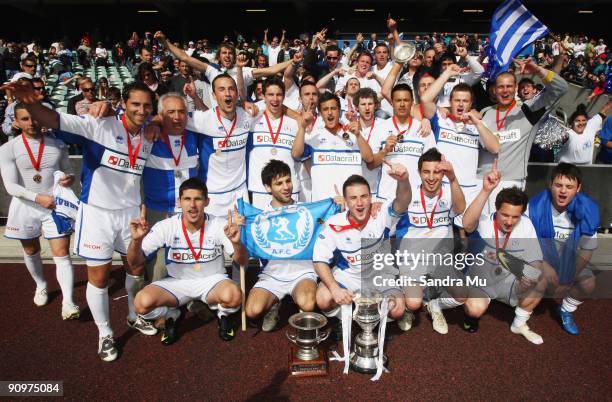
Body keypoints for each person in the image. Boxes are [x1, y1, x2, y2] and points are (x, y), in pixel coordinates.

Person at [3, 80, 159, 361]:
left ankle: (134, 316)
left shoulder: (148, 134)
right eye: (135, 103)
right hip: (97, 213)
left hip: (130, 214)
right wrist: (28, 103)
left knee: (135, 269)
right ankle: (105, 334)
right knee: (98, 278)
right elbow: (53, 118)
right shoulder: (99, 124)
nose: (141, 109)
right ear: (124, 103)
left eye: (147, 105)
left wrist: (156, 122)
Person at [128, 178, 246, 345]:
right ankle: (171, 314)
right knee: (141, 304)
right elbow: (135, 262)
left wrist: (236, 243)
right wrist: (136, 241)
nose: (192, 205)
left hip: (212, 281)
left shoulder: (219, 224)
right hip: (178, 282)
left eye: (198, 199)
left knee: (234, 296)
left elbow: (242, 260)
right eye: (187, 199)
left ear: (207, 202)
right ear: (179, 202)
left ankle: (223, 315)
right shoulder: (166, 226)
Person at [461, 161, 555, 344]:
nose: (510, 221)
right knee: (474, 309)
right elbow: (467, 224)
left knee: (540, 278)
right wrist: (486, 190)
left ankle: (519, 324)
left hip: (511, 279)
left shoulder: (526, 224)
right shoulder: (484, 223)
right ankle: (471, 317)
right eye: (505, 215)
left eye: (515, 217)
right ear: (497, 210)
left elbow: (535, 259)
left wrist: (529, 276)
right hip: (482, 280)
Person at [0, 103, 79, 320]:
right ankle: (41, 284)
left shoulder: (58, 145)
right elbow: (10, 186)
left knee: (62, 253)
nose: (31, 123)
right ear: (16, 122)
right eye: (25, 119)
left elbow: (68, 171)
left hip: (53, 205)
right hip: (25, 206)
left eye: (34, 118)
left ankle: (68, 302)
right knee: (31, 250)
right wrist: (38, 198)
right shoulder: (8, 149)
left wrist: (68, 179)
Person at [312, 170, 411, 331]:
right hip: (348, 276)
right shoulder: (333, 224)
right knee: (323, 298)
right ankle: (351, 315)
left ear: (370, 197)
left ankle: (369, 316)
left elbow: (403, 201)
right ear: (345, 201)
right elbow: (319, 261)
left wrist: (404, 180)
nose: (359, 203)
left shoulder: (380, 214)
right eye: (353, 198)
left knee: (397, 309)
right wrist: (335, 289)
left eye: (364, 196)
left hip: (380, 275)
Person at [477, 58, 569, 215]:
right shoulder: (484, 113)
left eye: (509, 86)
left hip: (510, 182)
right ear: (494, 90)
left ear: (516, 88)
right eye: (500, 87)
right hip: (481, 181)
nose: (505, 91)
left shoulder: (528, 111)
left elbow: (561, 88)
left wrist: (538, 70)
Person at [395, 148, 466, 334]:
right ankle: (411, 306)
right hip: (412, 260)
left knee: (462, 296)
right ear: (419, 172)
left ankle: (434, 303)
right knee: (413, 302)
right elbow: (398, 203)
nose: (432, 177)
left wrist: (452, 178)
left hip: (440, 260)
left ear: (443, 173)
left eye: (437, 171)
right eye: (426, 171)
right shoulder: (410, 195)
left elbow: (460, 209)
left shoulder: (450, 191)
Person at [242, 160, 318, 331]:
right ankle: (274, 302)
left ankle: (295, 297)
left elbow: (324, 221)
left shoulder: (306, 211)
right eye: (279, 183)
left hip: (302, 273)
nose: (286, 187)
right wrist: (239, 232)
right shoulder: (260, 218)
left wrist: (336, 205)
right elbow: (245, 254)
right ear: (268, 188)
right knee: (252, 311)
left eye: (288, 181)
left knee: (308, 304)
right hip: (272, 276)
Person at [527, 163, 600, 335]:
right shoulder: (534, 206)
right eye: (558, 185)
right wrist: (544, 266)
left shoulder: (587, 210)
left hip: (568, 260)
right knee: (529, 282)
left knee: (588, 283)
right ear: (550, 184)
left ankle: (566, 309)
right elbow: (525, 244)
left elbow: (587, 250)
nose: (563, 191)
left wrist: (568, 278)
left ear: (578, 188)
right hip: (540, 257)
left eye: (569, 186)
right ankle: (522, 308)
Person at [420, 64, 500, 206]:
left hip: (468, 191)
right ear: (450, 102)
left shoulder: (478, 126)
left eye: (465, 101)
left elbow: (495, 148)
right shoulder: (441, 120)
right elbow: (425, 99)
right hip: (441, 188)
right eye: (457, 100)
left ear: (471, 104)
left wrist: (477, 123)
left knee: (466, 228)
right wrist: (446, 74)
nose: (461, 105)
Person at [142, 93, 199, 282]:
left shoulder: (195, 136)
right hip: (158, 210)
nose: (177, 117)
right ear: (161, 115)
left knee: (188, 259)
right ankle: (155, 307)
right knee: (157, 264)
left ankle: (188, 301)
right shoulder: (149, 136)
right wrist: (153, 123)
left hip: (188, 211)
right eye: (171, 112)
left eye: (181, 111)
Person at [291, 92, 374, 202]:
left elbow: (369, 158)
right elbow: (296, 154)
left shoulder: (354, 134)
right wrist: (302, 127)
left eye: (333, 108)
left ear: (339, 111)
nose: (330, 113)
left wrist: (358, 135)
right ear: (320, 113)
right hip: (323, 206)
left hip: (352, 205)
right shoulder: (314, 136)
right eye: (325, 109)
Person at [368, 83, 434, 197]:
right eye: (398, 100)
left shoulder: (423, 129)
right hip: (387, 196)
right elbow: (370, 165)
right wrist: (385, 151)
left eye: (406, 100)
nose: (402, 104)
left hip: (416, 197)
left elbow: (432, 164)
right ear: (392, 103)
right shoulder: (380, 129)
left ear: (412, 102)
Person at [247, 77, 300, 208]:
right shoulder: (251, 120)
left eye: (279, 94)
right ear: (263, 96)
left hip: (288, 189)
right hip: (260, 189)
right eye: (270, 94)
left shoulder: (294, 123)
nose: (275, 99)